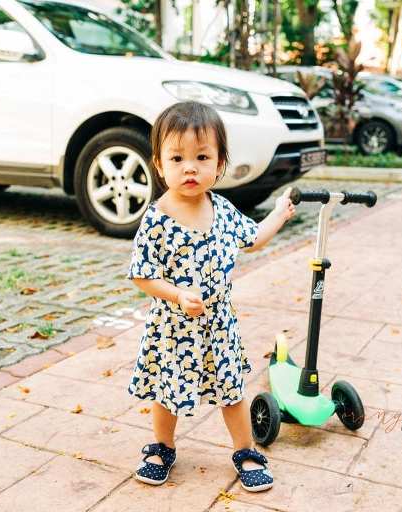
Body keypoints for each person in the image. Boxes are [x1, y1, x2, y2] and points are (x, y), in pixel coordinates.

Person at [126, 101, 296, 492]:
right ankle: (161, 447)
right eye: (178, 157)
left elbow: (252, 237)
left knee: (231, 389)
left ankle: (246, 451)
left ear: (219, 164)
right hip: (173, 327)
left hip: (218, 325)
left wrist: (279, 213)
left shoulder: (221, 208)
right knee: (168, 391)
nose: (190, 167)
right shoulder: (156, 219)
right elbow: (142, 275)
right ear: (159, 163)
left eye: (202, 157)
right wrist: (176, 294)